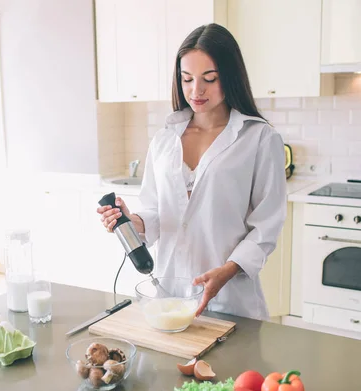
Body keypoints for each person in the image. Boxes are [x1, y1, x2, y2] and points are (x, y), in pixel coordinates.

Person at [97, 23, 287, 321]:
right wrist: (132, 221)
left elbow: (266, 227)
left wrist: (227, 271)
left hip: (232, 300)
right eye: (187, 79)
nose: (196, 91)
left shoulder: (260, 139)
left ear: (231, 77)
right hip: (169, 300)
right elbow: (156, 212)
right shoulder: (164, 140)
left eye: (209, 79)